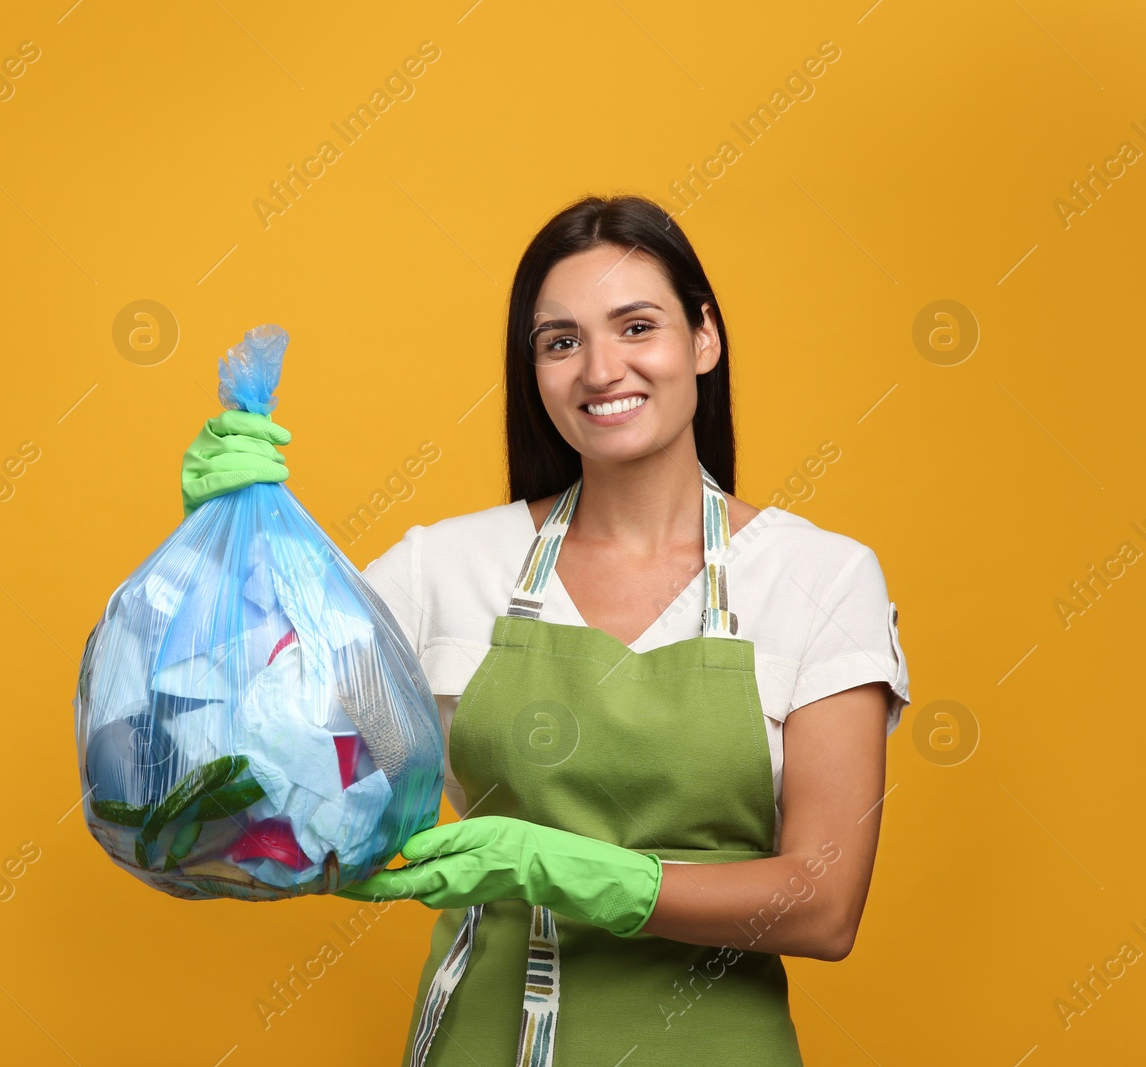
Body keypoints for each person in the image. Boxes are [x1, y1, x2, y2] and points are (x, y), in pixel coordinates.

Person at [180, 194, 910, 1066]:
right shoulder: (438, 571)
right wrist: (233, 551)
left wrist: (557, 868)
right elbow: (261, 749)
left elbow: (823, 906)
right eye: (561, 341)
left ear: (703, 339)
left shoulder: (821, 578)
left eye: (637, 326)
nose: (601, 369)